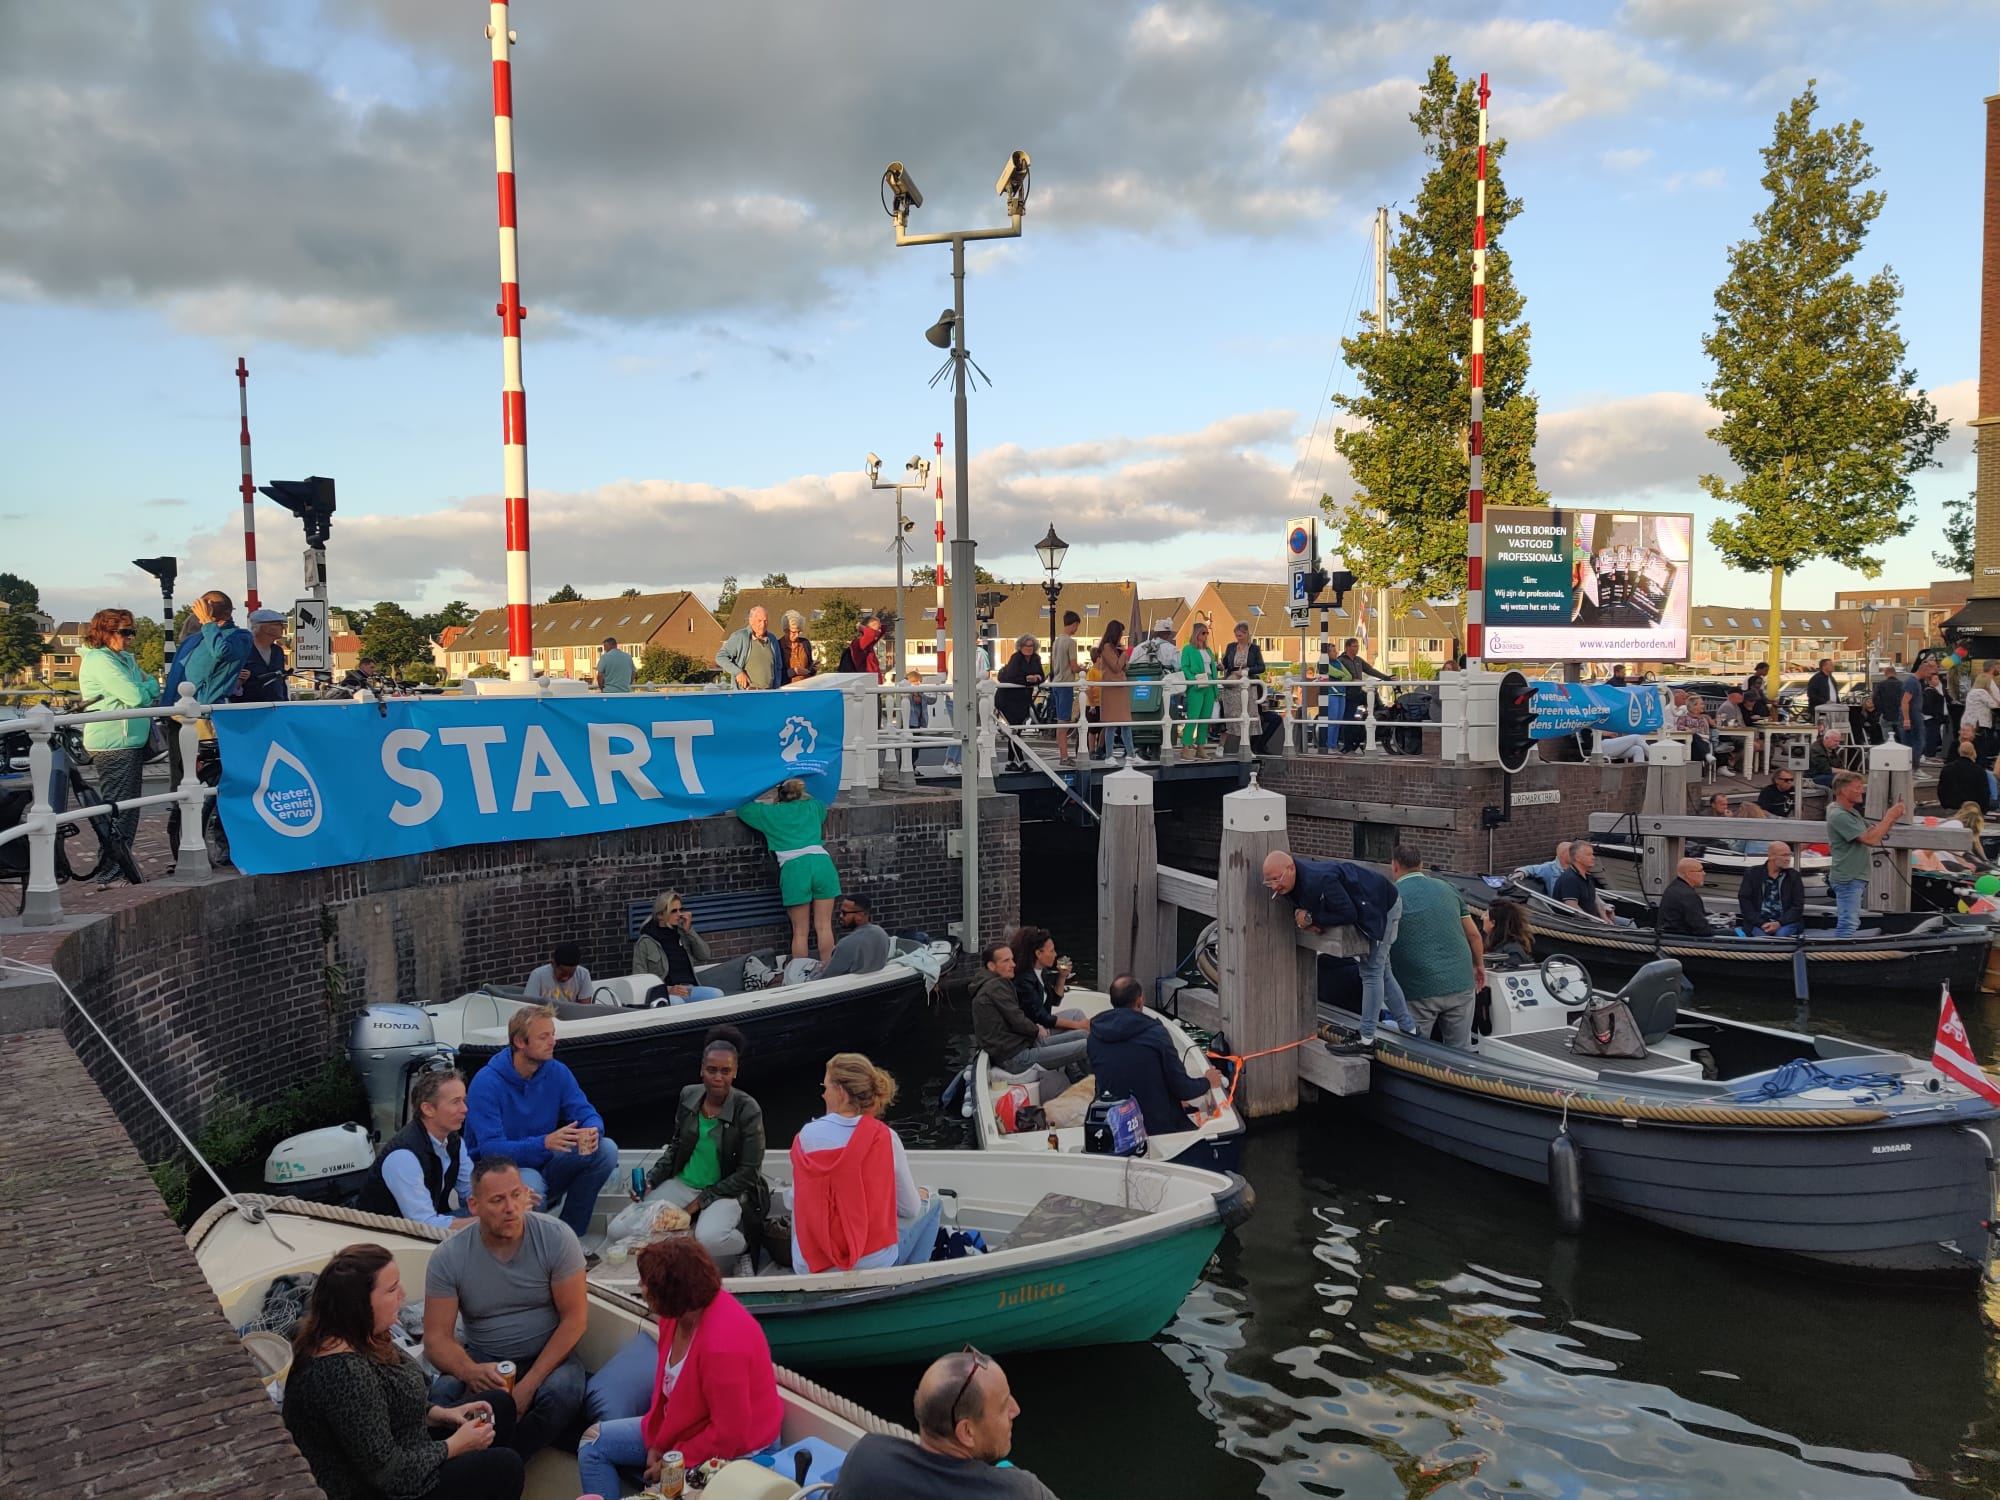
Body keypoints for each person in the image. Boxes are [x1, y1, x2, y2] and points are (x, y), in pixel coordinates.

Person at [283, 1242, 523, 1500]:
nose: (403, 1295)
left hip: (405, 1445)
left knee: (498, 1405)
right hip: (377, 1489)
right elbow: (388, 1473)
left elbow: (388, 1406)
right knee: (504, 1467)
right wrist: (455, 1445)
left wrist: (443, 1414)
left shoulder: (362, 1335)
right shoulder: (343, 1374)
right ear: (361, 1304)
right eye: (392, 1289)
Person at [575, 1238, 783, 1498]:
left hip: (737, 1451)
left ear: (671, 1293)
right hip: (684, 1430)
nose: (641, 1286)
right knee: (593, 1444)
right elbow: (665, 1395)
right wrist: (656, 1443)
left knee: (659, 1493)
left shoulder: (723, 1345)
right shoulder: (672, 1320)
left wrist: (672, 1462)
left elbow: (730, 1435)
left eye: (646, 1283)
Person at [423, 1157, 588, 1461]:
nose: (511, 1208)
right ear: (473, 1205)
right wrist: (469, 1371)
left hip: (547, 1356)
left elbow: (575, 1320)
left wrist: (529, 1384)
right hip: (484, 1359)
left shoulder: (556, 1237)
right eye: (498, 1200)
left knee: (563, 1392)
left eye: (516, 1195)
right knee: (443, 1393)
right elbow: (436, 1339)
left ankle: (505, 1463)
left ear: (527, 1194)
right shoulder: (449, 1257)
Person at [464, 1006, 620, 1239]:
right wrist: (544, 1143)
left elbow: (586, 1112)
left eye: (552, 1034)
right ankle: (537, 1250)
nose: (552, 1042)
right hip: (504, 1171)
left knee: (606, 1150)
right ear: (519, 1042)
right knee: (532, 1186)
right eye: (543, 1037)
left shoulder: (556, 1072)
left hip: (546, 1159)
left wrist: (591, 1130)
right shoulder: (486, 1083)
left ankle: (570, 1237)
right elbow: (490, 1151)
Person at [829, 1348, 1056, 1499]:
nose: (1015, 1410)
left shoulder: (867, 1457)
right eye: (1004, 1404)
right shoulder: (1017, 1491)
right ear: (967, 1431)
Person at [788, 1053, 939, 1271]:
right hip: (870, 1265)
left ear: (840, 1092)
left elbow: (796, 1200)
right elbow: (910, 1209)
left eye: (826, 1086)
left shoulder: (805, 1137)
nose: (823, 1094)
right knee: (932, 1205)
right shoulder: (885, 1137)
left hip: (810, 1266)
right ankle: (909, 1284)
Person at [632, 1026, 768, 1267]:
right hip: (684, 1182)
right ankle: (691, 1230)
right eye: (712, 1070)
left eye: (726, 1071)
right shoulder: (688, 1096)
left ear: (735, 1072)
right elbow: (676, 1147)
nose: (718, 1077)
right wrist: (652, 1180)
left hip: (726, 1189)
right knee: (625, 1228)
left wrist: (698, 1204)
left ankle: (745, 1246)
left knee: (708, 1238)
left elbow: (749, 1173)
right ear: (701, 1070)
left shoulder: (748, 1109)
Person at [1260, 850, 1415, 1051]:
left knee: (1371, 971)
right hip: (1368, 900)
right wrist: (1306, 916)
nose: (1274, 885)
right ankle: (1409, 1028)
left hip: (1381, 906)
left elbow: (1348, 912)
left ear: (1291, 868)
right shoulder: (1289, 885)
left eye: (1276, 879)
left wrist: (1312, 918)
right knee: (1383, 971)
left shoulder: (1320, 879)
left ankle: (1366, 1038)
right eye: (1269, 882)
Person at [1083, 974, 1222, 1139]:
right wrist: (1208, 1081)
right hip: (1156, 1126)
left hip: (1112, 1125)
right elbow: (1183, 1088)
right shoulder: (1156, 1034)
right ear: (1139, 1001)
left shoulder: (1095, 1037)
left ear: (1112, 1001)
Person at [77, 607, 158, 868]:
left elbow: (149, 686)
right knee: (119, 809)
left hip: (130, 739)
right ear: (105, 632)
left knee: (128, 809)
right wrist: (147, 689)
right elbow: (136, 696)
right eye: (125, 632)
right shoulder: (101, 660)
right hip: (113, 741)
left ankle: (120, 869)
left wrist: (146, 688)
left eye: (132, 631)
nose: (130, 637)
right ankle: (110, 873)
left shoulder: (124, 659)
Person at [1385, 846, 1483, 1047]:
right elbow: (1473, 934)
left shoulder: (1390, 895)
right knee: (1460, 1051)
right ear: (1421, 865)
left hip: (1419, 987)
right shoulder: (1447, 888)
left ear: (1394, 866)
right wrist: (1479, 965)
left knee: (1416, 1052)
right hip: (1461, 981)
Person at [355, 1069, 475, 1229]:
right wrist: (485, 1224)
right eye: (456, 1102)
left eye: (464, 1100)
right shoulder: (403, 1157)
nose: (465, 1108)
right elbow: (423, 1224)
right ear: (428, 1109)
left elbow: (472, 1193)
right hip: (387, 1236)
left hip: (427, 1221)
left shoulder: (454, 1142)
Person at [737, 777, 838, 965]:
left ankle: (801, 975)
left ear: (779, 794)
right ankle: (829, 970)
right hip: (822, 863)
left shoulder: (769, 814)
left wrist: (765, 782)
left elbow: (742, 808)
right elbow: (822, 802)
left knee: (800, 931)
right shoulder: (814, 807)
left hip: (794, 867)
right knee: (824, 926)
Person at [971, 940, 1089, 1073]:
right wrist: (1036, 1029)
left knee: (1084, 1034)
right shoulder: (994, 987)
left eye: (1012, 960)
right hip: (1015, 1057)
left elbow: (1016, 1019)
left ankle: (1080, 1077)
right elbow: (1018, 1020)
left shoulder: (998, 983)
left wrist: (1035, 1028)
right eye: (1006, 961)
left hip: (1024, 1043)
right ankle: (1094, 1085)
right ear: (991, 966)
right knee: (1088, 1044)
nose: (1013, 964)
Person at [1826, 770, 1904, 936]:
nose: (1862, 791)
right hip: (1848, 876)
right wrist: (1889, 817)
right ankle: (1839, 956)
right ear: (1844, 791)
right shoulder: (1839, 815)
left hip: (1855, 875)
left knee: (1851, 920)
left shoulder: (1850, 812)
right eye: (1858, 787)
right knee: (1848, 922)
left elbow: (1875, 832)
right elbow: (1870, 839)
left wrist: (1893, 818)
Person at [632, 891, 725, 1003]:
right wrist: (669, 989)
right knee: (677, 1002)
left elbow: (704, 955)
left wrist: (689, 931)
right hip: (665, 992)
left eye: (681, 910)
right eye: (674, 911)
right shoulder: (645, 942)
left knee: (717, 994)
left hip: (689, 989)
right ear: (660, 915)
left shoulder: (683, 934)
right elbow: (639, 978)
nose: (679, 914)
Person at [1008, 925, 1088, 1035]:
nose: (1055, 955)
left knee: (1077, 1014)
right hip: (1036, 1033)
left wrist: (1062, 976)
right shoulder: (1024, 980)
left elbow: (1055, 1001)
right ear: (1038, 954)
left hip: (1046, 1025)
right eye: (1051, 951)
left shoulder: (1042, 972)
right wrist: (1078, 1026)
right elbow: (1042, 1017)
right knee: (1082, 1031)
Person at [1736, 842, 1805, 937]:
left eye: (1790, 855)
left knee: (1781, 935)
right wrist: (1761, 923)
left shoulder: (1794, 876)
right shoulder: (1752, 873)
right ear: (1771, 856)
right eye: (1784, 855)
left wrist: (1779, 923)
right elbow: (1745, 902)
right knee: (1762, 937)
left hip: (1785, 922)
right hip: (1759, 922)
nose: (1788, 859)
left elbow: (1798, 906)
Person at [1335, 638, 1391, 753]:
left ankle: (1372, 722)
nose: (1357, 648)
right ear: (1348, 647)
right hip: (1348, 694)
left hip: (1358, 692)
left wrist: (1386, 677)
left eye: (1357, 646)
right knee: (1349, 719)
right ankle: (1348, 746)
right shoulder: (1341, 660)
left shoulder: (1358, 660)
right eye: (1354, 646)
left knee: (1373, 697)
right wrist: (1351, 681)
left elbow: (1370, 670)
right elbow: (1340, 676)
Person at [993, 635, 1044, 761]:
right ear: (1021, 647)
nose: (1029, 648)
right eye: (1026, 646)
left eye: (1031, 645)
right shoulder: (1016, 658)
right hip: (1008, 700)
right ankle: (1019, 760)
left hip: (1022, 700)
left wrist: (1037, 678)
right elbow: (1011, 676)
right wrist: (1027, 679)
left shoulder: (1036, 659)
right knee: (1014, 730)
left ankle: (1012, 761)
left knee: (1017, 730)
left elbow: (1042, 675)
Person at [821, 891, 892, 977]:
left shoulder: (846, 944)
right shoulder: (882, 934)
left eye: (845, 913)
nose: (840, 916)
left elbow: (827, 977)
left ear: (860, 915)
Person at [1093, 621, 1135, 763]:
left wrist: (1124, 657)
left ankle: (1131, 754)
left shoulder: (1116, 648)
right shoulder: (1106, 648)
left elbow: (1123, 668)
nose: (1122, 637)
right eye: (1121, 633)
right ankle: (1109, 755)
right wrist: (1125, 654)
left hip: (1120, 688)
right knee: (1111, 724)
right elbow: (1116, 667)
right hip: (1111, 689)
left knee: (1125, 724)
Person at [1221, 621, 1265, 753]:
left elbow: (1262, 667)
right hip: (1232, 686)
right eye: (1236, 635)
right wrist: (1221, 666)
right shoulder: (1231, 647)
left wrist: (1247, 671)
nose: (1237, 638)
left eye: (1240, 635)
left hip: (1247, 684)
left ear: (1246, 634)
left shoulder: (1254, 649)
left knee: (1248, 715)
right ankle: (1222, 746)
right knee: (1231, 716)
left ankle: (1247, 747)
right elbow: (1225, 663)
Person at [716, 606, 785, 690]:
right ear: (751, 621)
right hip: (748, 693)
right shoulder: (740, 637)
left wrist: (776, 687)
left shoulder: (772, 639)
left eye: (765, 621)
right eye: (759, 621)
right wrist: (738, 672)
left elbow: (778, 666)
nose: (763, 625)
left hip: (769, 693)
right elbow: (720, 657)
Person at [1178, 620, 1221, 750]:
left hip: (1209, 683)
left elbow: (1212, 668)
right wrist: (1193, 680)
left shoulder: (1208, 650)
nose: (1205, 635)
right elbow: (1184, 667)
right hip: (1196, 685)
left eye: (1207, 633)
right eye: (1203, 633)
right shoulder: (1188, 649)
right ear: (1196, 634)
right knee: (1193, 716)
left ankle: (1201, 746)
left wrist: (1215, 689)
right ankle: (1186, 745)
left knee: (1205, 718)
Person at [1049, 610, 1081, 763]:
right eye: (1077, 626)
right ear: (1074, 624)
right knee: (1064, 721)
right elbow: (1073, 667)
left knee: (1059, 720)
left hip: (1056, 682)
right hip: (1066, 683)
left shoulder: (1056, 641)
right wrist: (1083, 669)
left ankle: (1063, 753)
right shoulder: (1071, 642)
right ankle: (1064, 756)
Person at [1553, 841, 1611, 921]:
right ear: (1577, 858)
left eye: (1592, 854)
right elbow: (1572, 907)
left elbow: (1594, 900)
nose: (1593, 857)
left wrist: (1606, 919)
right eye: (1588, 855)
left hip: (1596, 920)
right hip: (1578, 925)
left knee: (1628, 924)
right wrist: (1595, 921)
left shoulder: (1588, 876)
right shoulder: (1570, 879)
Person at [242, 608, 292, 701]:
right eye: (278, 624)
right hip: (249, 706)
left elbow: (281, 680)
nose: (283, 628)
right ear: (265, 628)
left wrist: (285, 702)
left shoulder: (277, 651)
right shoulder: (243, 650)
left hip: (277, 706)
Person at [1657, 858, 1716, 936]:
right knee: (1734, 932)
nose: (1704, 873)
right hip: (1683, 939)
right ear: (1688, 874)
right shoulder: (1688, 895)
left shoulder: (1673, 887)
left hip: (1669, 935)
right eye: (1700, 870)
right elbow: (1702, 929)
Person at [523, 942, 594, 1004]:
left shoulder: (583, 974)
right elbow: (528, 1007)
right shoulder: (538, 975)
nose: (566, 977)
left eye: (571, 974)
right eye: (563, 973)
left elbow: (585, 1008)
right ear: (553, 964)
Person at [1939, 741, 1993, 813]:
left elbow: (1941, 790)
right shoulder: (1979, 771)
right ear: (1973, 752)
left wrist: (1945, 805)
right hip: (1972, 811)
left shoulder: (1947, 769)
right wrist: (1983, 811)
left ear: (1959, 751)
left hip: (1951, 809)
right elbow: (1984, 793)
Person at [1482, 898, 1534, 963]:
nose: (1482, 917)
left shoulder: (1513, 954)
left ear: (1493, 923)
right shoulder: (1497, 946)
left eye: (1486, 915)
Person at [1961, 669, 1998, 761]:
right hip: (1978, 722)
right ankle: (1981, 760)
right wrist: (1992, 695)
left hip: (1969, 720)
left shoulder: (1971, 692)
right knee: (1980, 743)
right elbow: (1994, 704)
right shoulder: (1982, 692)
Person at [837, 614, 886, 679]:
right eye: (877, 627)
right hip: (866, 681)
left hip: (871, 681)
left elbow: (882, 630)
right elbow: (871, 634)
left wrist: (878, 625)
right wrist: (861, 627)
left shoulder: (869, 644)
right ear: (867, 628)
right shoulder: (860, 643)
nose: (879, 630)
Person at [1712, 689, 1747, 771]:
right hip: (1728, 735)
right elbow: (1726, 724)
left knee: (1758, 742)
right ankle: (1734, 761)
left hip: (1736, 733)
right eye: (1740, 694)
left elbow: (1740, 723)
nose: (1742, 696)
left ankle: (1735, 761)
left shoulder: (1735, 706)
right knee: (1753, 744)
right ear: (1733, 695)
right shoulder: (1727, 706)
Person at [1676, 693, 1714, 767]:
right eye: (1701, 704)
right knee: (1692, 738)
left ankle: (1695, 770)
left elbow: (1705, 732)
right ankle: (1706, 755)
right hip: (1686, 741)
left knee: (1694, 738)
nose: (1703, 706)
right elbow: (1679, 728)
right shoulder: (1683, 717)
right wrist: (1689, 730)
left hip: (1702, 741)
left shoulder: (1703, 718)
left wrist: (1692, 731)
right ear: (1694, 706)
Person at [778, 610, 817, 683]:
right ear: (786, 630)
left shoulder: (805, 643)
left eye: (798, 632)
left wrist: (812, 669)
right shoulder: (778, 646)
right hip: (786, 689)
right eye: (793, 632)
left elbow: (810, 667)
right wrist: (794, 671)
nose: (796, 635)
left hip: (806, 687)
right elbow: (776, 674)